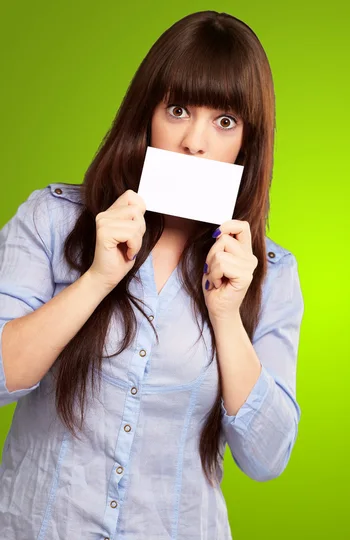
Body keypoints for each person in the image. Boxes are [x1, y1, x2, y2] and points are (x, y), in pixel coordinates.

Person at [0, 11, 304, 540]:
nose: (194, 141)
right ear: (147, 115)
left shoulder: (270, 274)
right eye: (179, 109)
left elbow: (268, 458)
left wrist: (227, 317)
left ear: (246, 144)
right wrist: (95, 278)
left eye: (225, 122)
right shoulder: (51, 222)